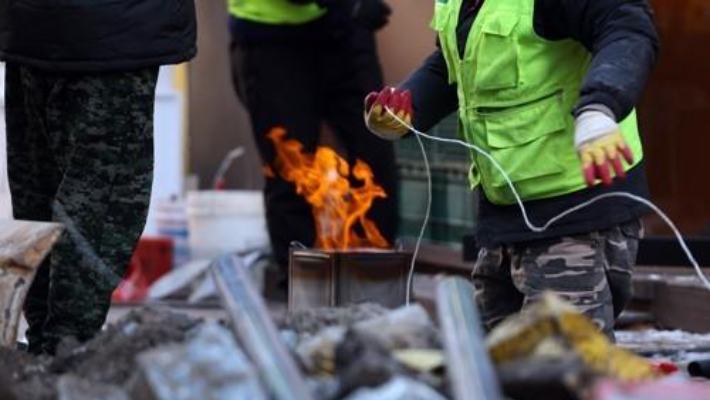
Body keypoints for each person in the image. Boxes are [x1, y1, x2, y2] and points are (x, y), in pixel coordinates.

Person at [365, 0, 659, 339]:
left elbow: (628, 28)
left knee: (562, 369)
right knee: (502, 367)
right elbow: (451, 65)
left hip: (577, 216)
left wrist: (600, 106)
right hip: (504, 219)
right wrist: (408, 105)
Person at [0, 0, 197, 354]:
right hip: (113, 28)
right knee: (99, 202)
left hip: (30, 25)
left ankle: (48, 347)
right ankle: (63, 351)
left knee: (40, 190)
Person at [228, 0, 399, 275]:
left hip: (343, 28)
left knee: (376, 156)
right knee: (290, 171)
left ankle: (375, 279)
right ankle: (303, 290)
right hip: (272, 33)